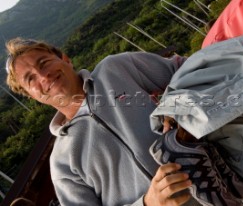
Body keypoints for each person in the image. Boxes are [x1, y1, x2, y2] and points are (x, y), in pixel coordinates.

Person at [4, 37, 197, 206]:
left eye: (44, 62)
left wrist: (174, 103)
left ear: (65, 59)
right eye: (30, 79)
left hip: (220, 184)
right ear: (31, 95)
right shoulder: (61, 163)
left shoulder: (115, 69)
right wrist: (148, 202)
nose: (43, 76)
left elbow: (188, 68)